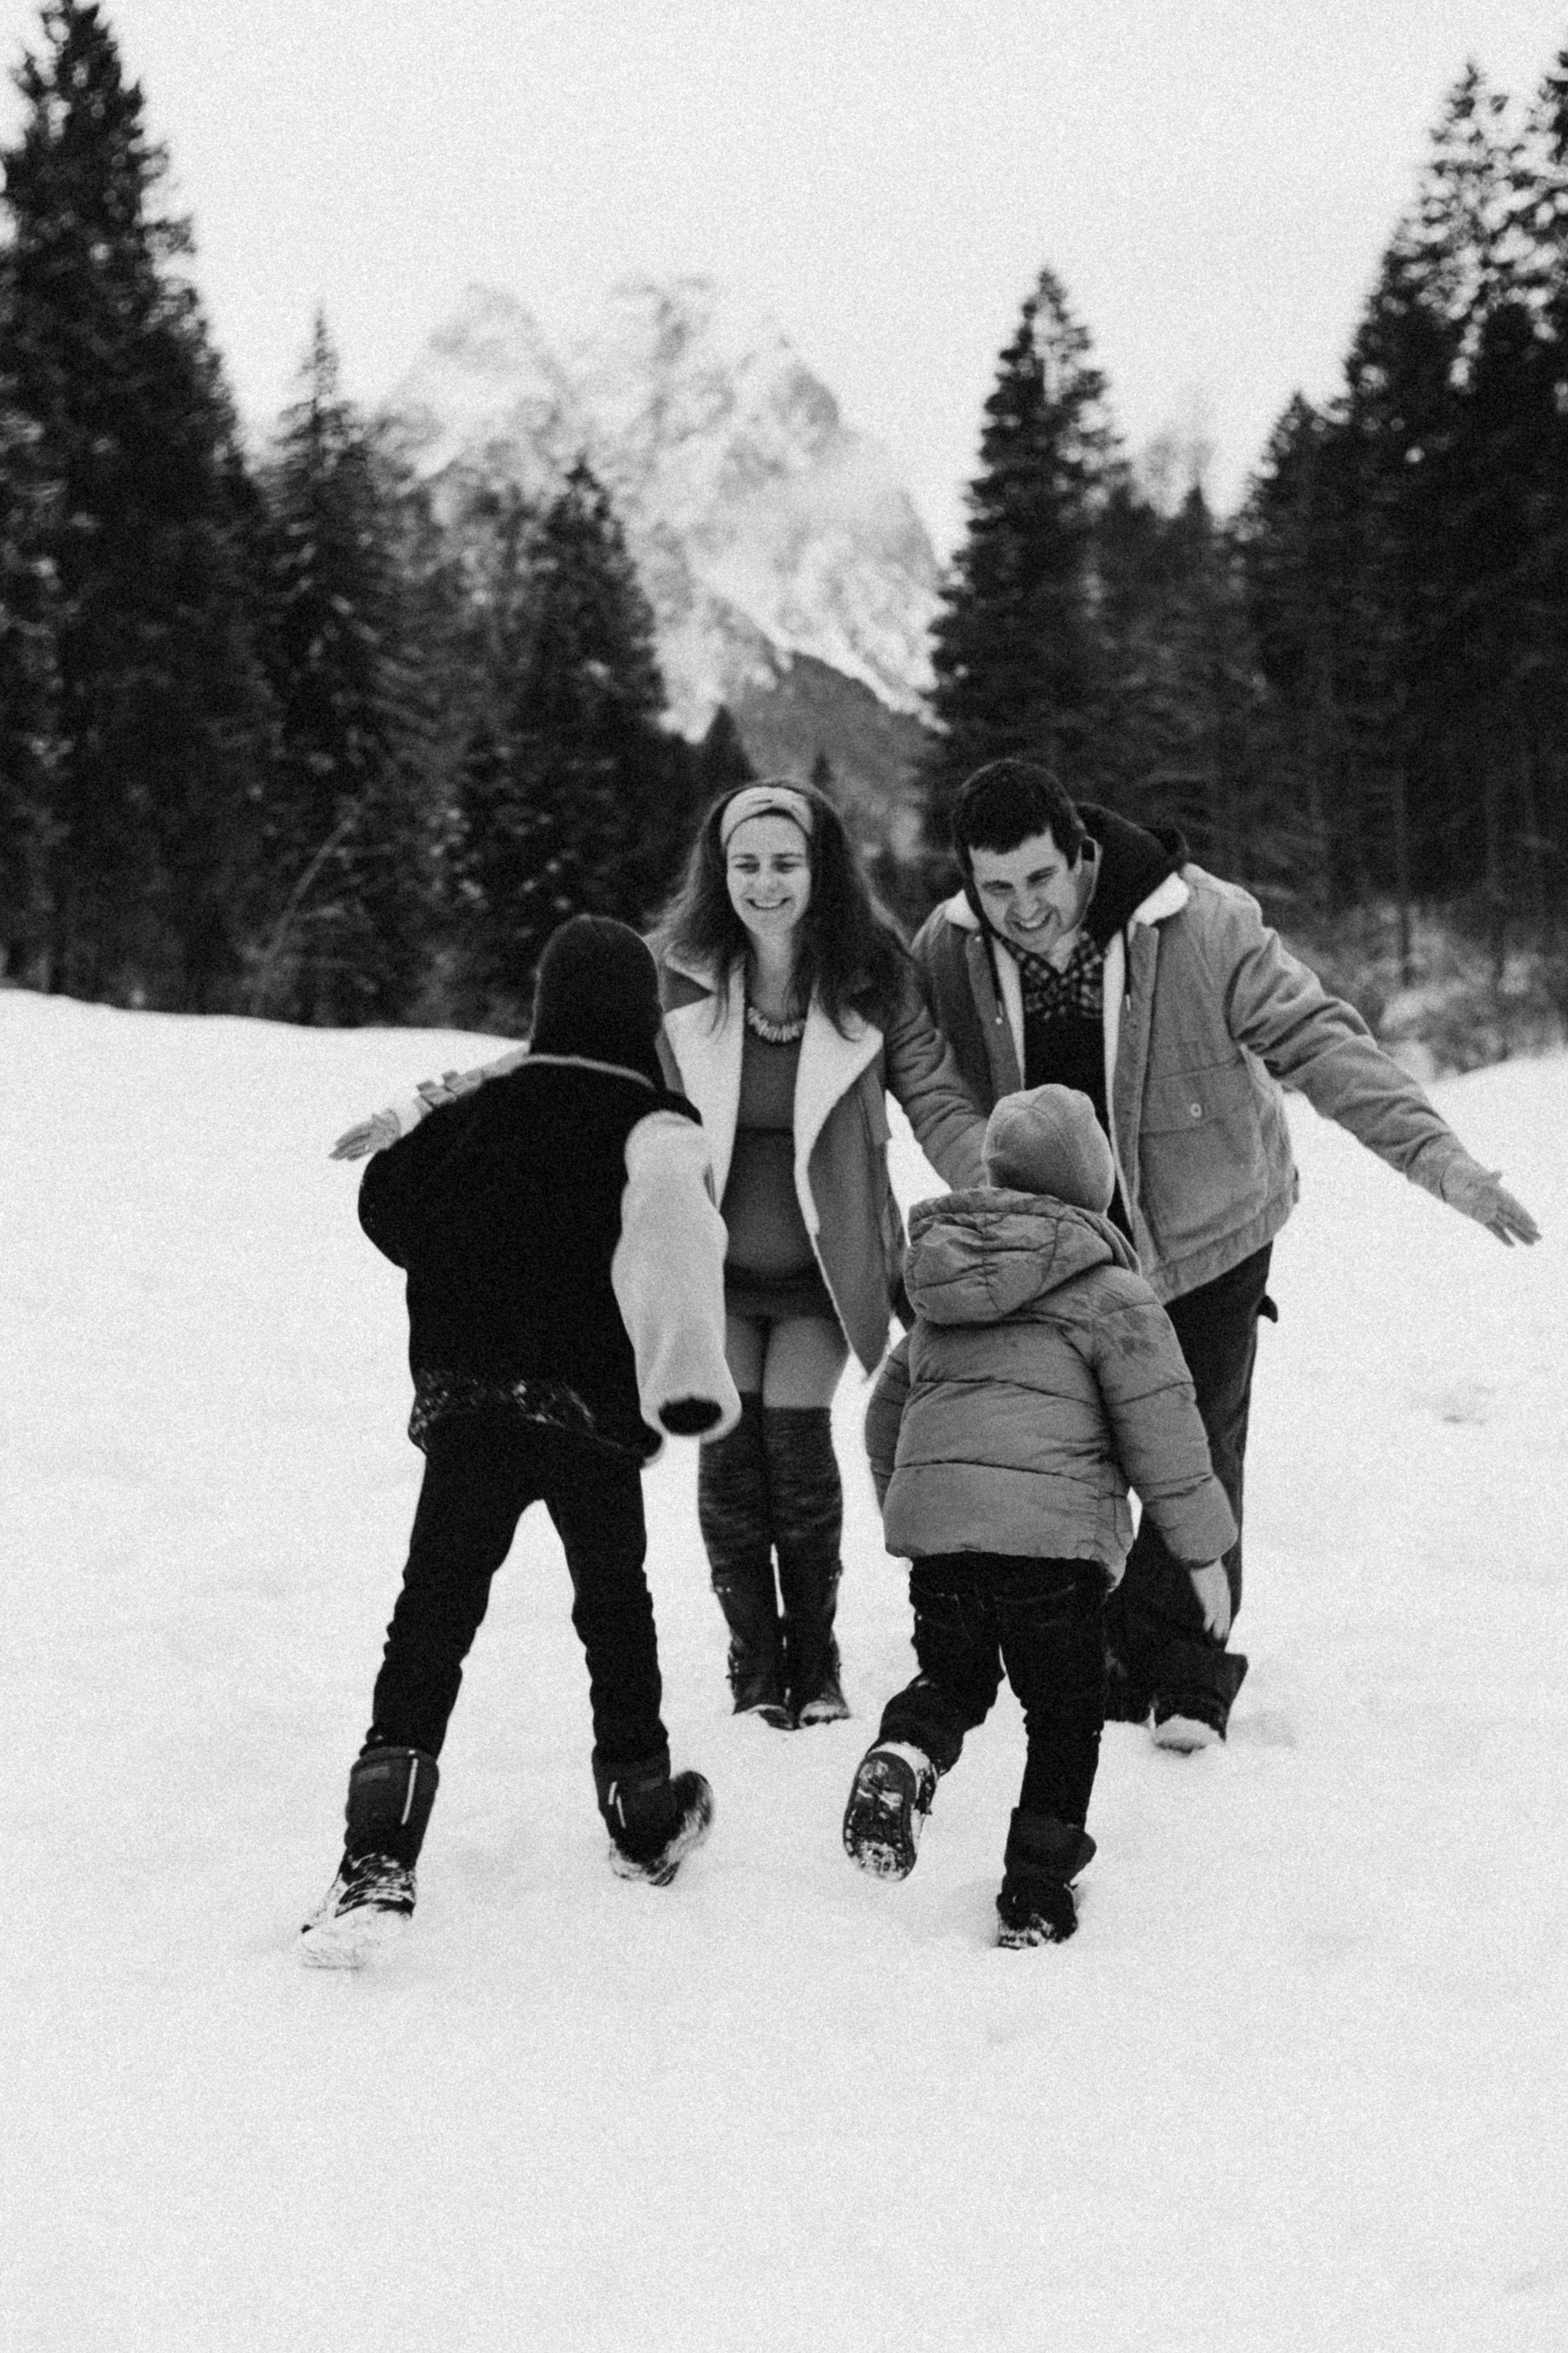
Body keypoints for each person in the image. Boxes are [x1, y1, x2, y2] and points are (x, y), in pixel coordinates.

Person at [910, 758, 1540, 1749]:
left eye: (1039, 879)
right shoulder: (949, 951)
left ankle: (1190, 1669)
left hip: (1206, 1230)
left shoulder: (1201, 924)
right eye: (997, 889)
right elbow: (933, 1080)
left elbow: (1321, 1041)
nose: (1022, 908)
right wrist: (986, 1177)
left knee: (1192, 1437)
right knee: (1071, 1444)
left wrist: (1439, 1158)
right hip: (1055, 1245)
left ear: (1077, 851)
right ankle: (1100, 1642)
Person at [301, 917, 739, 1968]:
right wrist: (689, 1382)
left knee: (431, 1617)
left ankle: (378, 1859)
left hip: (470, 1406)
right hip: (591, 1416)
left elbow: (386, 1201)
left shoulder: (485, 1113)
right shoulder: (654, 1121)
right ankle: (641, 1813)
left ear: (541, 1008)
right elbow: (682, 1236)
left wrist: (463, 1227)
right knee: (614, 1608)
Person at [845, 1084, 1237, 1945]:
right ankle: (1035, 1887)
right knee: (1064, 1713)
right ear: (1093, 1185)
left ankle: (907, 1752)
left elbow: (885, 1416)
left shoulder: (940, 1293)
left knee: (954, 1681)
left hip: (945, 1551)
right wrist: (1203, 1549)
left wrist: (918, 1506)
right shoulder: (1109, 1292)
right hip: (1053, 1557)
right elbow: (1164, 1426)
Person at [651, 780, 987, 1729]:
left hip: (823, 1271)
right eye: (746, 864)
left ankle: (817, 1656)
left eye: (785, 864)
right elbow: (573, 1063)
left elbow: (937, 1098)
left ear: (820, 869)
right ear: (721, 874)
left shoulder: (872, 975)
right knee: (728, 1451)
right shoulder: (673, 971)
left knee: (796, 1447)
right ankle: (754, 1664)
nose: (766, 883)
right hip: (708, 1267)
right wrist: (437, 1104)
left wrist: (1011, 1186)